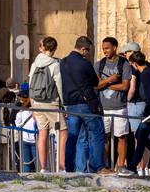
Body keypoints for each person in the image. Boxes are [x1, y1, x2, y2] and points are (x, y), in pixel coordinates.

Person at [61, 35, 105, 173]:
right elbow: (95, 82)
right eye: (88, 51)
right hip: (85, 103)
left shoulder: (63, 62)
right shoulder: (84, 63)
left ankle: (70, 168)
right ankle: (96, 166)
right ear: (83, 49)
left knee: (74, 136)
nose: (89, 54)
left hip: (70, 104)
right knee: (97, 132)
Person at [121, 51, 150, 177]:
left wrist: (147, 114)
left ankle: (133, 166)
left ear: (133, 63)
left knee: (140, 136)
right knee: (140, 136)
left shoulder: (145, 74)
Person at [28, 36, 65, 172]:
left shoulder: (34, 64)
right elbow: (59, 85)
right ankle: (61, 166)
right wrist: (64, 104)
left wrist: (32, 105)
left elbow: (31, 85)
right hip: (51, 102)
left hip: (37, 102)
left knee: (43, 133)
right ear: (55, 48)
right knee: (63, 131)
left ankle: (44, 167)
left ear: (42, 47)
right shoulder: (55, 64)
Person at [96, 36, 131, 171]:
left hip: (119, 106)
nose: (104, 51)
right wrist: (110, 79)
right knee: (104, 137)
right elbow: (96, 85)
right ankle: (104, 165)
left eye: (107, 48)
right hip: (103, 107)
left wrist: (106, 85)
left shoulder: (124, 63)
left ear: (115, 48)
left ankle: (121, 165)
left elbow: (125, 86)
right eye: (103, 49)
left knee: (121, 136)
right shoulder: (99, 64)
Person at [12, 84, 38, 172]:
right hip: (32, 139)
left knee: (27, 164)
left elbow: (16, 123)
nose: (22, 100)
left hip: (26, 139)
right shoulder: (36, 109)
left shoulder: (20, 110)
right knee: (34, 164)